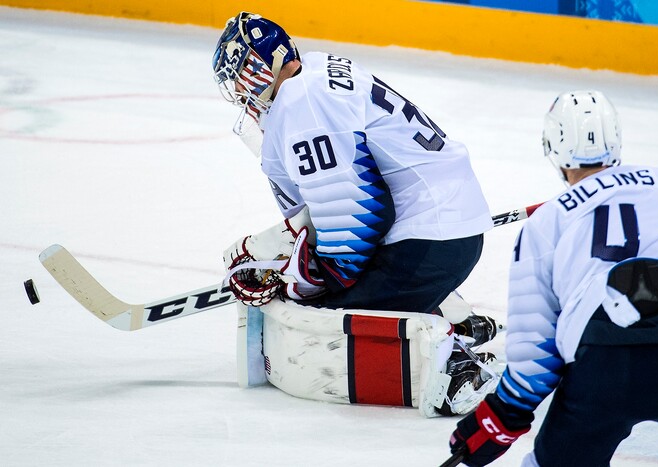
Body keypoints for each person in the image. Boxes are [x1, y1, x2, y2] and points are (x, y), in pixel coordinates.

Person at [447, 90, 658, 466]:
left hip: (604, 365)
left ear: (552, 146)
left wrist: (504, 413)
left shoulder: (544, 224)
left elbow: (534, 344)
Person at [212, 13, 499, 343]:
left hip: (428, 239)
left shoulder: (301, 104)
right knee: (351, 298)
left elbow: (356, 217)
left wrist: (305, 282)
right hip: (444, 226)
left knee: (325, 327)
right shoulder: (317, 70)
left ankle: (454, 356)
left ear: (257, 68)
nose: (237, 90)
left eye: (237, 77)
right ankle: (458, 321)